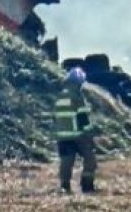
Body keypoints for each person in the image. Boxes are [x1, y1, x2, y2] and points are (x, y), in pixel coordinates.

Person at [54, 66, 97, 194]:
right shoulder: (77, 97)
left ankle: (65, 186)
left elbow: (55, 118)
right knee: (90, 159)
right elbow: (83, 119)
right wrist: (90, 136)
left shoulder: (60, 96)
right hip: (78, 136)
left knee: (66, 163)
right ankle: (87, 186)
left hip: (62, 136)